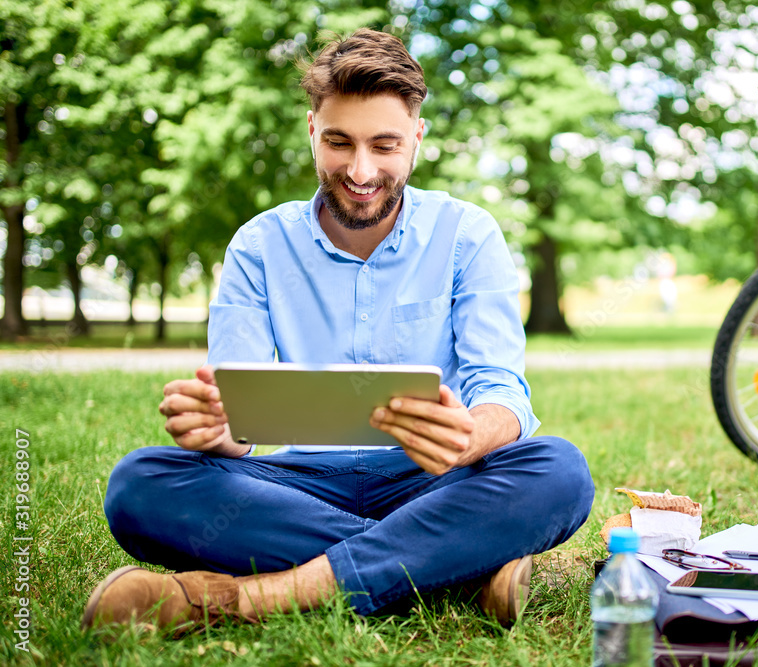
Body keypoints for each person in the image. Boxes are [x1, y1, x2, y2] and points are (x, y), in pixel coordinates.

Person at [81, 28, 594, 633]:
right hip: (297, 489)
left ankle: (251, 598)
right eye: (339, 142)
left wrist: (467, 438)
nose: (360, 169)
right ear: (311, 133)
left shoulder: (467, 234)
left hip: (432, 481)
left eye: (385, 145)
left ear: (417, 141)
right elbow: (237, 415)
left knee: (557, 469)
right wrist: (219, 430)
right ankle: (459, 570)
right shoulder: (259, 245)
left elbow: (502, 392)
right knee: (141, 485)